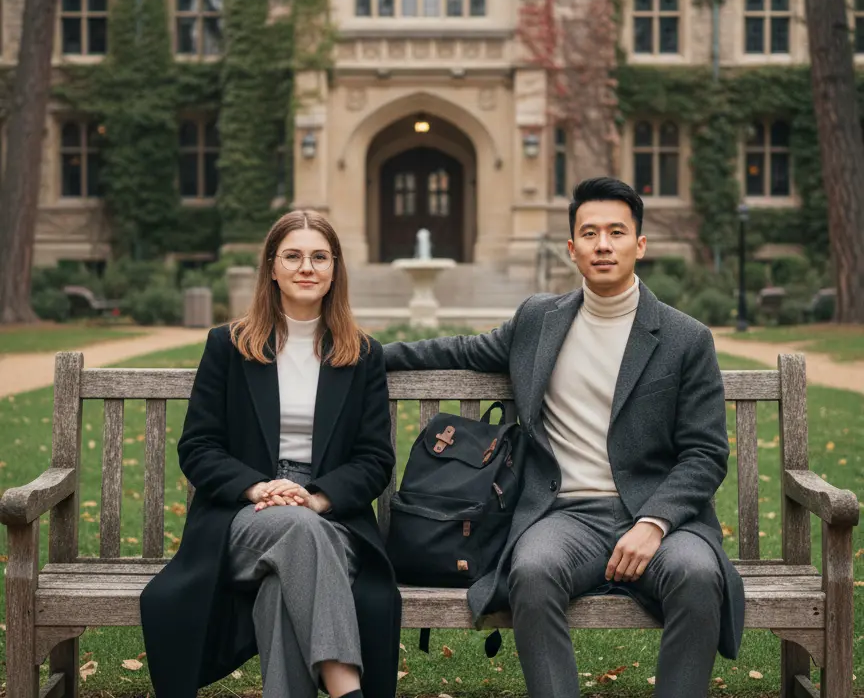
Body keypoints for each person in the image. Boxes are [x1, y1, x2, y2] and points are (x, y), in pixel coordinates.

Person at [383, 176, 745, 698]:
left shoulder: (686, 338)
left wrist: (655, 522)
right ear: (572, 249)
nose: (603, 244)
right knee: (532, 570)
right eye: (590, 233)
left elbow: (706, 453)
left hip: (657, 519)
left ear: (639, 245)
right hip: (562, 516)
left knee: (696, 574)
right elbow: (460, 350)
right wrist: (367, 355)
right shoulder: (539, 321)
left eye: (617, 232)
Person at [141, 211, 401, 698]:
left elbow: (373, 459)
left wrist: (317, 499)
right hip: (242, 514)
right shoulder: (230, 345)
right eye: (294, 256)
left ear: (334, 269)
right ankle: (348, 691)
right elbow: (198, 446)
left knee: (287, 579)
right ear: (272, 267)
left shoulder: (361, 353)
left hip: (332, 518)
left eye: (319, 257)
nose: (307, 267)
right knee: (298, 532)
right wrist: (259, 487)